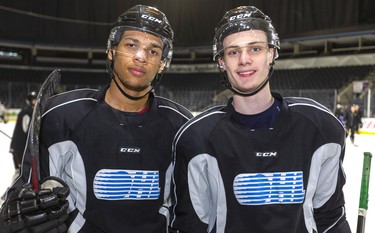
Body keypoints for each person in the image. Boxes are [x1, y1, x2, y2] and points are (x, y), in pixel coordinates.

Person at [1, 4, 192, 233]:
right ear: (111, 50)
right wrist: (17, 214)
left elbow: (191, 210)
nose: (141, 56)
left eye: (153, 51)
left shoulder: (182, 126)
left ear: (162, 63)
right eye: (131, 45)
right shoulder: (60, 116)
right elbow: (24, 191)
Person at [170, 6, 351, 233]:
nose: (244, 60)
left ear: (271, 53)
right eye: (233, 52)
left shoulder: (321, 128)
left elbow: (331, 219)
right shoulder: (195, 138)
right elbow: (191, 226)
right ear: (222, 61)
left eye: (255, 48)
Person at [9, 91, 37, 177]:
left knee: (20, 172)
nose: (35, 101)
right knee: (21, 174)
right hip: (21, 149)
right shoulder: (28, 112)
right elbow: (26, 132)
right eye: (33, 100)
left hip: (17, 147)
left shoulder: (24, 111)